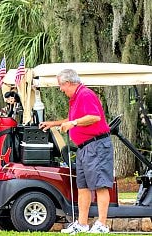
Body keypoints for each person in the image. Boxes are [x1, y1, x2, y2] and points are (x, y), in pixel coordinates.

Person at [39, 69, 113, 234]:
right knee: (83, 187)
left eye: (61, 85)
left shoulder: (85, 94)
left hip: (97, 146)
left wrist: (74, 124)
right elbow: (72, 120)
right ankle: (82, 224)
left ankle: (102, 224)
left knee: (100, 185)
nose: (60, 89)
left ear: (68, 83)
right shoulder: (75, 98)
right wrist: (53, 123)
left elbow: (94, 117)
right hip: (84, 148)